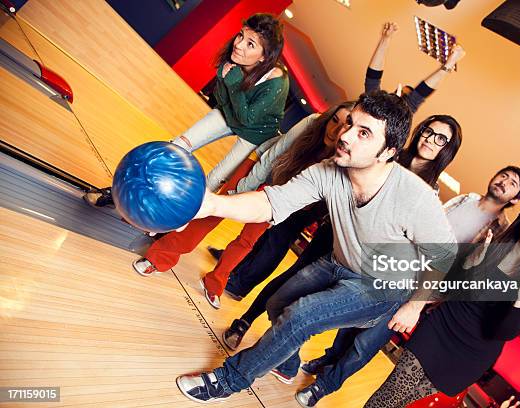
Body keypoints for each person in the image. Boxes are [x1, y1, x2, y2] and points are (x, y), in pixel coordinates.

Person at [174, 90, 457, 403]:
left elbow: (444, 257)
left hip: (383, 286)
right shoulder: (328, 170)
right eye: (350, 123)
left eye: (364, 133)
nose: (345, 135)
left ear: (387, 152)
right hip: (339, 262)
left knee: (301, 316)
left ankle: (228, 380)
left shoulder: (415, 197)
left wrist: (414, 305)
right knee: (277, 304)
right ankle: (288, 361)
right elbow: (270, 203)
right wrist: (211, 203)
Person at [222, 114, 463, 351]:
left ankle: (282, 352)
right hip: (336, 232)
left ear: (447, 150)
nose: (430, 139)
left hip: (363, 259)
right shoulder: (389, 154)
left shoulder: (429, 192)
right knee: (294, 277)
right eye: (428, 131)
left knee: (312, 306)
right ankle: (245, 321)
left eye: (441, 139)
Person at [295, 166, 520, 406]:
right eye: (503, 175)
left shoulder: (500, 232)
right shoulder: (466, 199)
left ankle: (322, 386)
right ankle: (329, 359)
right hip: (400, 268)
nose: (504, 181)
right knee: (352, 322)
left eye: (512, 183)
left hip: (423, 290)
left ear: (516, 198)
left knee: (367, 342)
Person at [363, 200, 520, 408]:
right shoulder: (495, 247)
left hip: (470, 356)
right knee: (389, 394)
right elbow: (452, 288)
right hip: (440, 327)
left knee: (401, 403)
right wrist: (470, 265)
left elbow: (503, 332)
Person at [129, 101, 354, 291]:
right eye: (335, 120)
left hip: (280, 192)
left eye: (346, 126)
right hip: (259, 166)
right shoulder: (312, 122)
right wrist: (243, 187)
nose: (335, 130)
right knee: (213, 212)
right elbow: (273, 156)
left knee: (248, 240)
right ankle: (159, 257)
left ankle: (215, 283)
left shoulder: (341, 159)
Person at [84, 13, 289, 205]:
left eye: (250, 44)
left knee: (213, 180)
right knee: (175, 146)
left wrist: (232, 82)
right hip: (230, 113)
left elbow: (246, 118)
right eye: (241, 36)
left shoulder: (277, 81)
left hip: (254, 133)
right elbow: (220, 98)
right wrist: (226, 82)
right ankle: (120, 192)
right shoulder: (234, 59)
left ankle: (172, 220)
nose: (239, 45)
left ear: (264, 57)